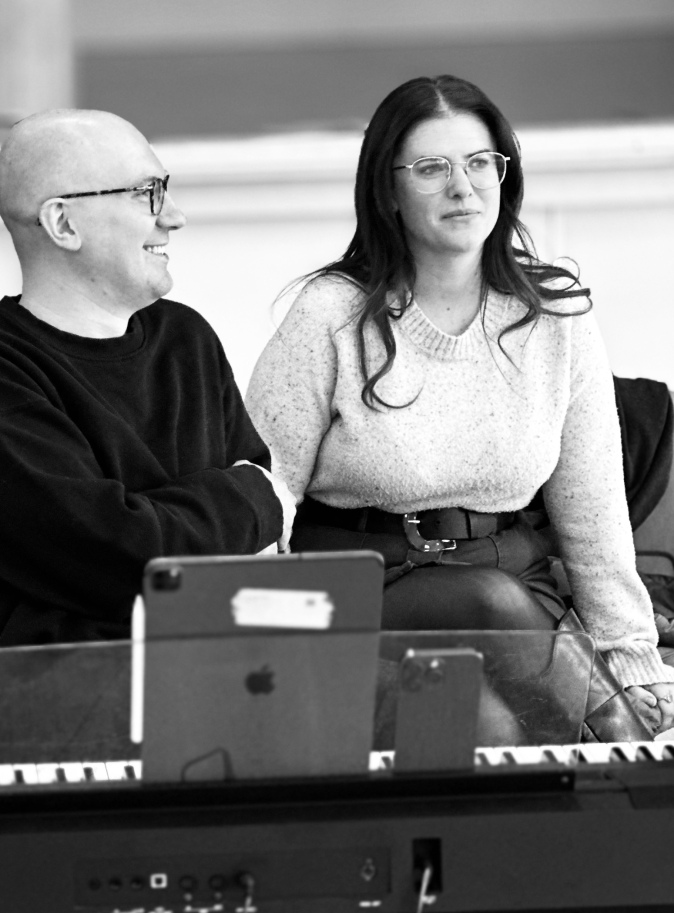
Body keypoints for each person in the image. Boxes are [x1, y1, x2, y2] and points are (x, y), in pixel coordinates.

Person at [245, 75, 674, 739]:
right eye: (431, 169)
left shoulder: (554, 317)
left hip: (515, 589)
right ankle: (616, 735)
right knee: (486, 602)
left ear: (506, 176)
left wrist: (635, 659)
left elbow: (594, 515)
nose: (463, 187)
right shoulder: (331, 315)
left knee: (493, 728)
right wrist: (265, 645)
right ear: (388, 190)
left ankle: (610, 753)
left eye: (480, 163)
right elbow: (265, 490)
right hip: (368, 591)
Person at [0, 109, 292, 652]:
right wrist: (250, 499)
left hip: (205, 677)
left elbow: (259, 557)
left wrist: (219, 522)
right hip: (39, 704)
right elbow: (124, 561)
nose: (174, 216)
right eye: (146, 193)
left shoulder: (186, 339)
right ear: (64, 224)